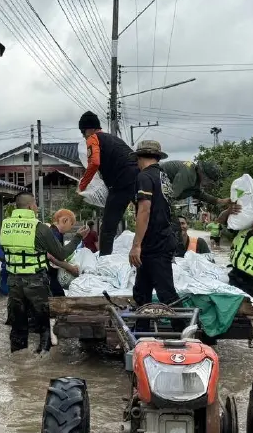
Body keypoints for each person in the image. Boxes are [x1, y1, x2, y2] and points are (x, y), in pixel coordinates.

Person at [0, 193, 87, 353]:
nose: (37, 208)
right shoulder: (38, 227)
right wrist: (77, 237)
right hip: (35, 282)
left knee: (18, 326)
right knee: (43, 325)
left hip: (14, 283)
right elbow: (61, 254)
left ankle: (19, 363)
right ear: (29, 206)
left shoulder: (6, 225)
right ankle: (43, 362)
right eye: (35, 204)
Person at [76, 111, 139, 257]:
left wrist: (82, 185)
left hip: (121, 183)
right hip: (139, 179)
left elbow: (94, 163)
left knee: (107, 228)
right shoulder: (113, 139)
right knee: (146, 216)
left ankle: (104, 262)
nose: (83, 136)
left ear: (90, 129)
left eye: (83, 131)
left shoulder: (93, 138)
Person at [128, 140, 179, 315]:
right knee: (141, 294)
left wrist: (136, 245)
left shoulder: (144, 177)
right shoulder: (163, 177)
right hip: (157, 242)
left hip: (156, 244)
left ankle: (187, 333)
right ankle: (142, 334)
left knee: (167, 294)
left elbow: (144, 211)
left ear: (139, 158)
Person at [159, 160, 234, 242]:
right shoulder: (189, 176)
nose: (208, 184)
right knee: (172, 226)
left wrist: (220, 201)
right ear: (203, 174)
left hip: (162, 189)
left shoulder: (194, 176)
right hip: (157, 185)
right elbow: (170, 197)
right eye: (209, 181)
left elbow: (199, 194)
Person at [45, 209, 82, 297]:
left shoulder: (55, 232)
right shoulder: (54, 234)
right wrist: (71, 268)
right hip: (49, 275)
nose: (71, 227)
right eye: (71, 223)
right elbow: (52, 257)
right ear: (64, 220)